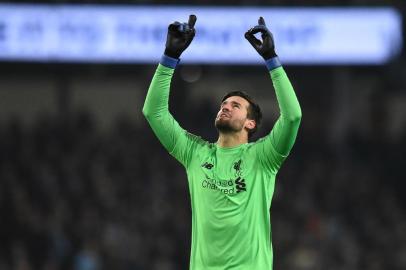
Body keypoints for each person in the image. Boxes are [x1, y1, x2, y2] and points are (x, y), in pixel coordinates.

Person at [143, 14, 302, 270]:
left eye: (235, 105)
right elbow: (154, 112)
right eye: (223, 104)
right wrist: (169, 57)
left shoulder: (264, 157)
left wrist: (272, 60)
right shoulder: (195, 153)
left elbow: (293, 116)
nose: (226, 107)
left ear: (250, 123)